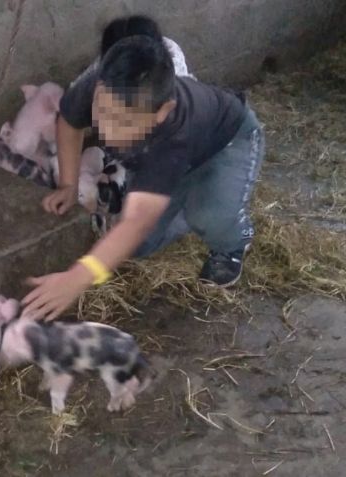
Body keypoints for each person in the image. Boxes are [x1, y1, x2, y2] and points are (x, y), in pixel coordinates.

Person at [20, 33, 265, 322]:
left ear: (163, 111)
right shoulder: (102, 87)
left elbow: (138, 221)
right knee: (133, 247)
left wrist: (78, 278)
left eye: (125, 122)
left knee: (207, 215)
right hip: (163, 162)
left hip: (226, 142)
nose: (109, 132)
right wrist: (69, 185)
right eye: (103, 113)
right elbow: (69, 122)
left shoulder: (175, 132)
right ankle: (185, 201)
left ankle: (232, 242)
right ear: (98, 89)